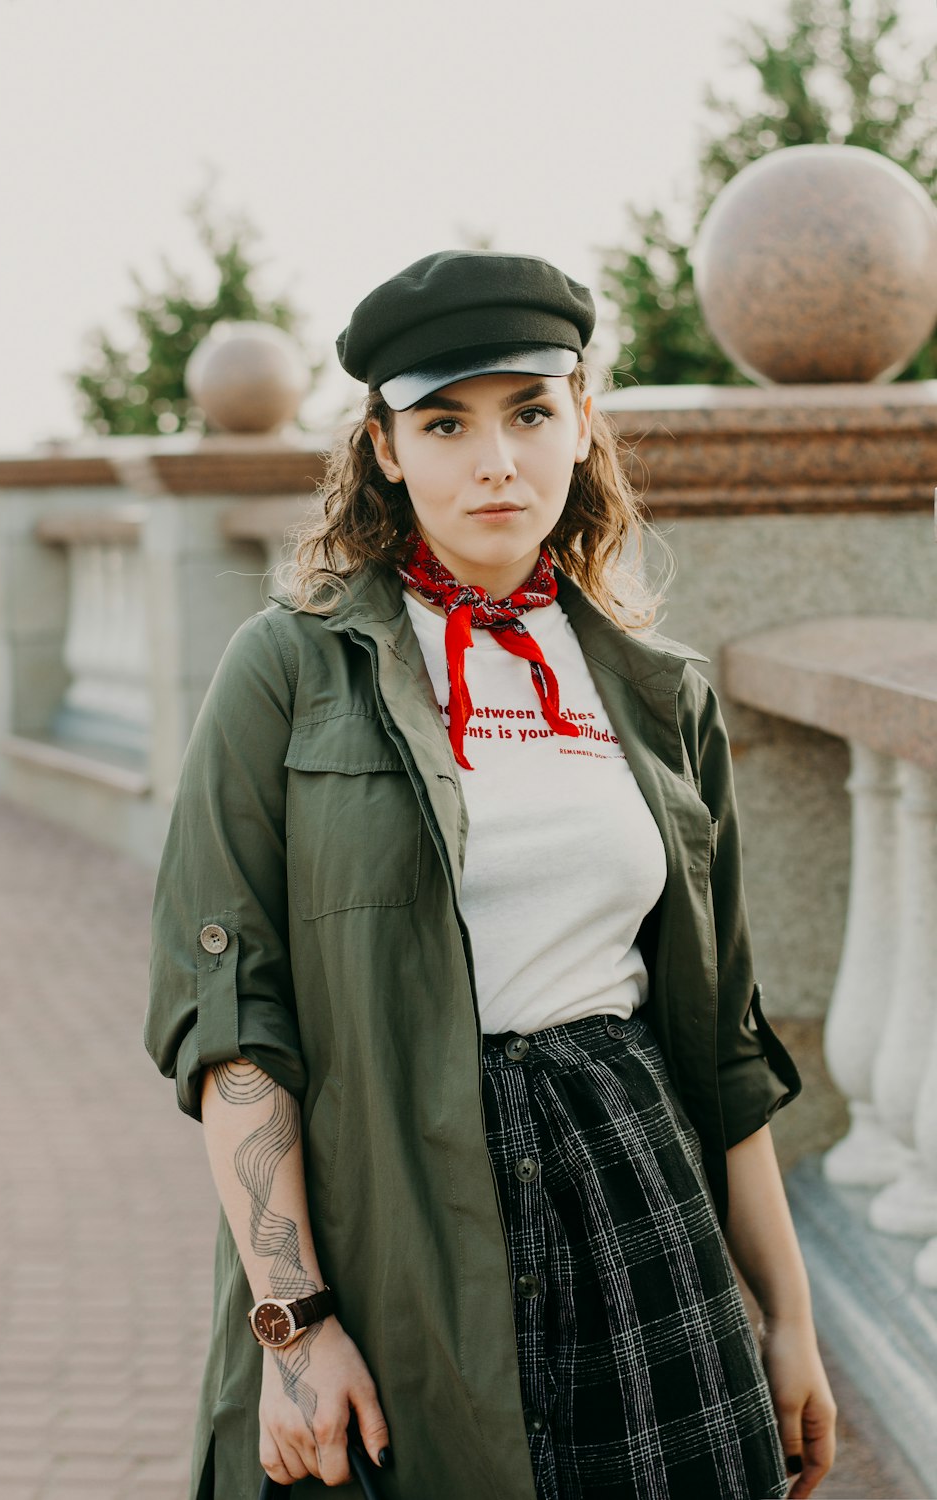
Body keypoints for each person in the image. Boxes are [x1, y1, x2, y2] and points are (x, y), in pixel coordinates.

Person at [144, 249, 837, 1499]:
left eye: (529, 411)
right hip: (394, 1220)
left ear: (581, 421)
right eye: (445, 422)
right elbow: (233, 1024)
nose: (495, 459)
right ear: (387, 449)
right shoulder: (290, 673)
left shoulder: (656, 691)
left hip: (639, 1206)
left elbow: (717, 1043)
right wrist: (292, 1324)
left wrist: (786, 1318)